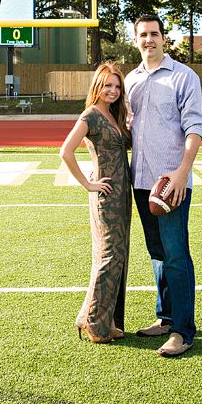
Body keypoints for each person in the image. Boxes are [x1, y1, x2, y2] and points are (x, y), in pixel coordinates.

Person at [124, 14, 202, 357]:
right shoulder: (131, 80)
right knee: (157, 253)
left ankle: (183, 331)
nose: (149, 40)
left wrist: (182, 173)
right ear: (135, 40)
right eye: (142, 35)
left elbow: (195, 127)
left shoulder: (183, 77)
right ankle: (167, 316)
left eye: (154, 34)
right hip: (141, 181)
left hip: (170, 181)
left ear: (163, 38)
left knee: (175, 254)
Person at [60, 62, 132, 344]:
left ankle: (97, 317)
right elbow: (65, 151)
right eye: (108, 85)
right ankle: (96, 325)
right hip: (106, 197)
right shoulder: (91, 114)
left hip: (122, 195)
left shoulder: (113, 114)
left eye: (117, 86)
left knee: (115, 256)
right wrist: (88, 183)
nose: (113, 90)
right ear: (97, 87)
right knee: (110, 256)